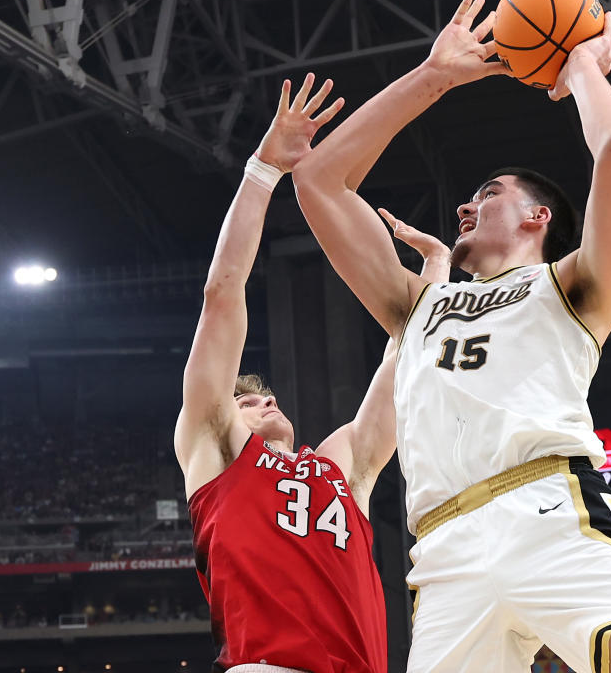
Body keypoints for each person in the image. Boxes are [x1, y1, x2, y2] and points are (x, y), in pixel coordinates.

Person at [282, 0, 611, 672]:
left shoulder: (575, 285)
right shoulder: (416, 307)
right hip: (446, 551)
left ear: (537, 216)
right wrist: (434, 77)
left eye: (489, 193)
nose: (464, 203)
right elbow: (318, 181)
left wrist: (580, 68)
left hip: (550, 511)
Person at [179, 76, 451, 673]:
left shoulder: (340, 469)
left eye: (267, 397)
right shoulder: (215, 448)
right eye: (249, 402)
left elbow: (404, 360)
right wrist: (262, 171)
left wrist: (435, 277)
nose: (265, 402)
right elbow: (222, 295)